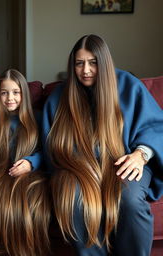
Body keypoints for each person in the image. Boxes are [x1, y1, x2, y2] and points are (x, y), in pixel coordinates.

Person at [42, 34, 163, 255]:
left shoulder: (128, 85)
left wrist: (141, 155)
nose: (86, 70)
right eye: (79, 63)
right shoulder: (60, 96)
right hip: (78, 167)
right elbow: (50, 142)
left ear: (104, 62)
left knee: (130, 200)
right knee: (74, 200)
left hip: (124, 160)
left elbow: (156, 126)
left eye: (93, 62)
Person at [0, 69, 51, 256]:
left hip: (30, 173)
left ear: (23, 94)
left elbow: (48, 150)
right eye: (4, 92)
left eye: (16, 92)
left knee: (31, 206)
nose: (10, 98)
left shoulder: (38, 117)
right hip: (0, 171)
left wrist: (30, 162)